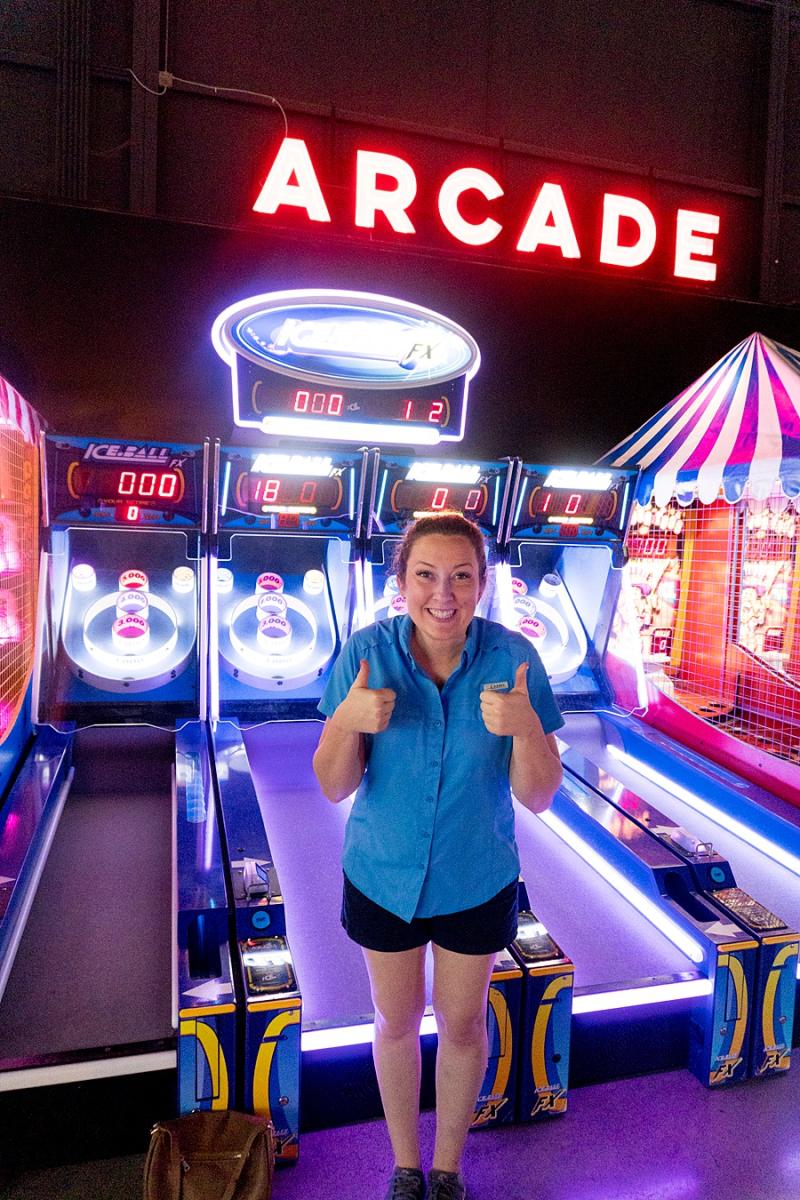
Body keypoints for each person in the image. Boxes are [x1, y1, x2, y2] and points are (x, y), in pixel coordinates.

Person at [313, 512, 564, 1200]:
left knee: (460, 1024)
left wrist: (529, 727)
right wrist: (345, 720)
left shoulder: (515, 659)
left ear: (484, 583)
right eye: (426, 575)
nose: (443, 594)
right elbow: (333, 784)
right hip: (382, 875)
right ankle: (405, 1167)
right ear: (401, 582)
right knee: (395, 1022)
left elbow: (539, 796)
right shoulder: (366, 653)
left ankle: (447, 1169)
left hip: (475, 877)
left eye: (461, 576)